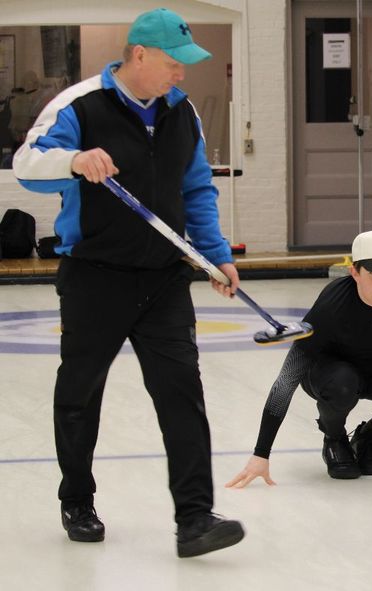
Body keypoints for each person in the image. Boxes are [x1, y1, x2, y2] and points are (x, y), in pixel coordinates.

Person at [13, 8, 244, 558]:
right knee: (80, 393)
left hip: (164, 278)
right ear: (139, 54)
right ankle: (77, 500)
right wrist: (74, 159)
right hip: (95, 276)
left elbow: (196, 189)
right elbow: (26, 164)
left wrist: (214, 255)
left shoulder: (181, 111)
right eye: (173, 63)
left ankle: (194, 519)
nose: (181, 74)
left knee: (182, 394)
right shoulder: (81, 104)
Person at [226, 230, 372, 486]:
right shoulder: (333, 304)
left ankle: (369, 435)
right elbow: (287, 379)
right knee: (343, 383)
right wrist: (261, 454)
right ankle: (335, 438)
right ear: (354, 272)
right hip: (329, 374)